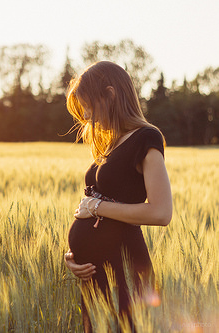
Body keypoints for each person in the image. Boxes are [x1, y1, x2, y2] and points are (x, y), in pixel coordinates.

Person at [63, 61, 172, 332]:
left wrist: (97, 207)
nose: (87, 115)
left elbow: (161, 212)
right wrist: (74, 256)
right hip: (96, 275)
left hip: (123, 272)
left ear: (110, 95)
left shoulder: (146, 138)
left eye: (88, 105)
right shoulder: (113, 142)